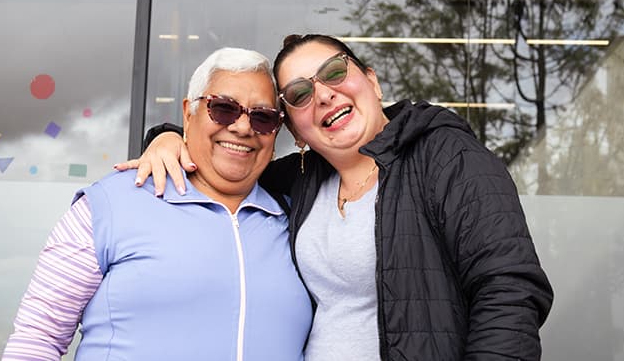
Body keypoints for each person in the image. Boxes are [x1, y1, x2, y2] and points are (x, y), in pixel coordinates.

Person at [132, 34, 555, 360]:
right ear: (295, 130)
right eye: (299, 94)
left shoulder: (444, 154)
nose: (322, 94)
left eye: (334, 72)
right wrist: (168, 138)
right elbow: (228, 156)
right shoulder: (301, 179)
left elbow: (510, 290)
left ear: (372, 80)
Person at [3, 47, 312, 360]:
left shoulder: (295, 220)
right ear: (188, 113)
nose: (243, 128)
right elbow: (37, 339)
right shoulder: (110, 205)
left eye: (262, 117)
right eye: (223, 108)